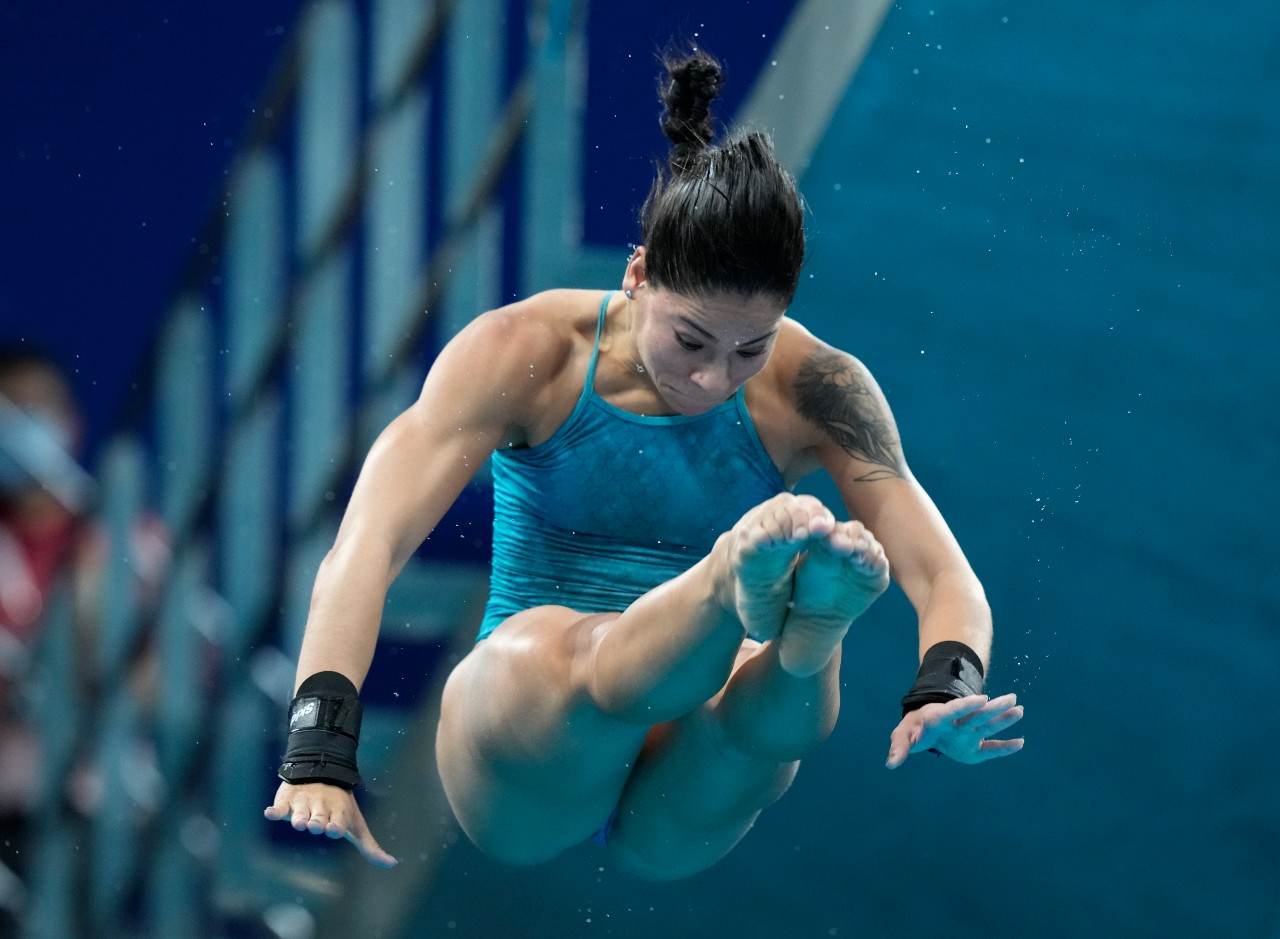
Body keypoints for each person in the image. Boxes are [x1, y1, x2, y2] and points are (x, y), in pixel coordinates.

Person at [263, 46, 1026, 880]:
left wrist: (946, 684)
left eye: (749, 351)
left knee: (762, 718)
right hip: (526, 742)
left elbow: (944, 575)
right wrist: (318, 743)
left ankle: (801, 637)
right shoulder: (525, 351)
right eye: (691, 339)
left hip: (685, 767)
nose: (713, 378)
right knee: (582, 658)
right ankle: (736, 585)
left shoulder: (817, 386)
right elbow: (367, 542)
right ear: (636, 275)